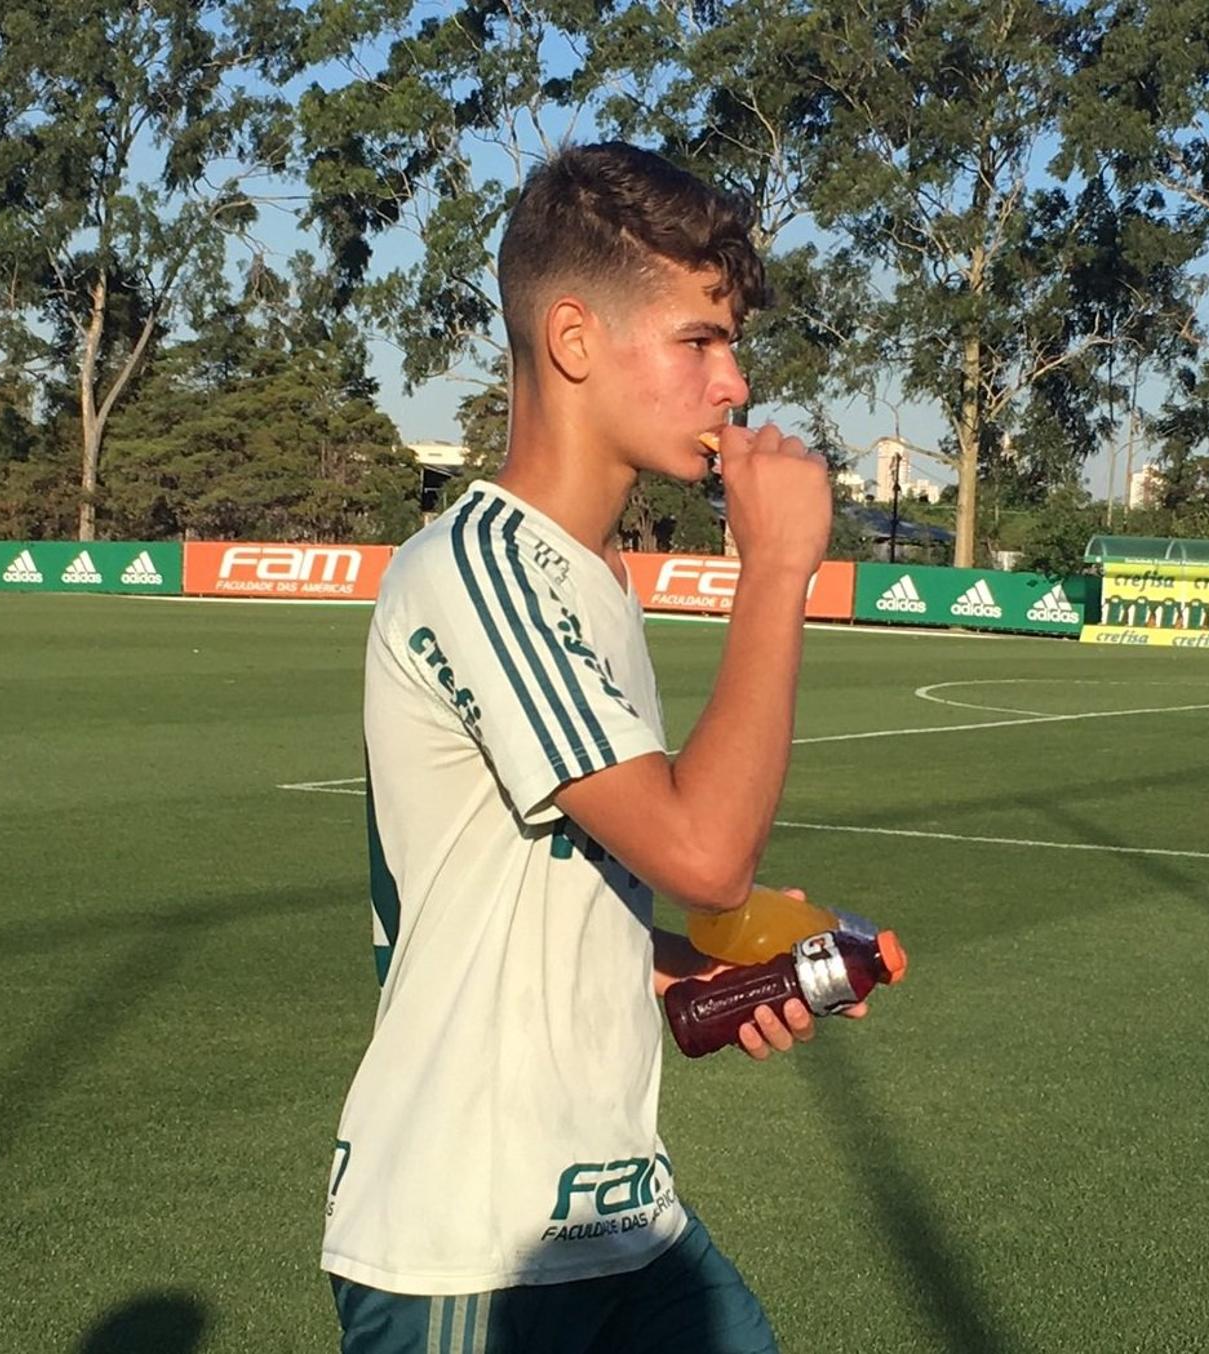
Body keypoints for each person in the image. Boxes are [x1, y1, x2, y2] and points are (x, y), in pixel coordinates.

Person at [322, 141, 866, 1353]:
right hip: (478, 1240)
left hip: (619, 1215)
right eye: (697, 341)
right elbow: (706, 849)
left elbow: (555, 886)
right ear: (574, 340)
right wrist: (777, 567)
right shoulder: (479, 569)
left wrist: (682, 969)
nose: (734, 384)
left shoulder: (587, 579)